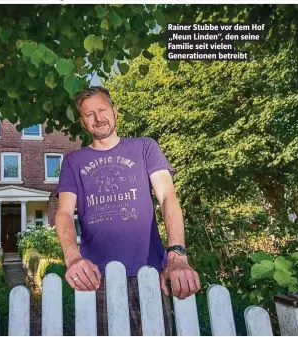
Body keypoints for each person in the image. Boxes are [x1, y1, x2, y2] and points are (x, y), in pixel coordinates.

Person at [54, 86, 201, 335]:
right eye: (89, 114)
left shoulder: (145, 147)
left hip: (149, 272)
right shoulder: (72, 161)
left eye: (102, 109)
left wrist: (177, 254)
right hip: (97, 278)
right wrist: (73, 257)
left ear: (115, 111)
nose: (98, 118)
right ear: (82, 121)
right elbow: (64, 213)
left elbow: (167, 196)